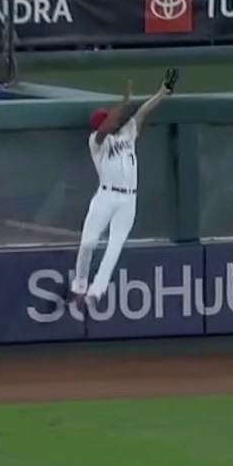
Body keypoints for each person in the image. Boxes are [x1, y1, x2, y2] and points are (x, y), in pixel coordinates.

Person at [67, 77, 172, 310]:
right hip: (105, 196)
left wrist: (161, 92)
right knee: (88, 242)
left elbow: (143, 113)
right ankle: (79, 285)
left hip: (128, 199)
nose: (114, 121)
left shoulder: (127, 134)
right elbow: (107, 126)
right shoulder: (96, 142)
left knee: (114, 246)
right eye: (108, 119)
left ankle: (96, 292)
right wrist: (125, 101)